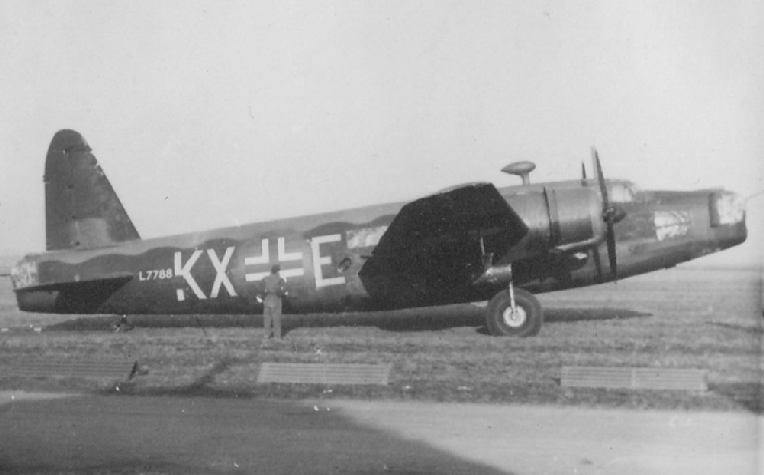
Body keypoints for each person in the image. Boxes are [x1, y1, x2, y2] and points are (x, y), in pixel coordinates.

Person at [260, 264, 286, 339]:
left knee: (267, 317)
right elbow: (284, 288)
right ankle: (277, 335)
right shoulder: (280, 279)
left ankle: (267, 334)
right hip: (276, 298)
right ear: (277, 271)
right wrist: (280, 293)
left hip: (267, 298)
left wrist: (262, 296)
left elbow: (260, 288)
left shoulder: (265, 279)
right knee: (276, 317)